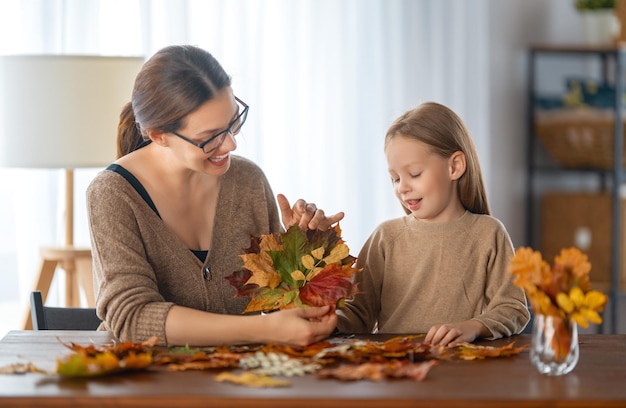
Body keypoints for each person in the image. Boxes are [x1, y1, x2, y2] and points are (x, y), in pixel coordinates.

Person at [86, 45, 343, 347]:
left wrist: (304, 252)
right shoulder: (113, 194)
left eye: (234, 122)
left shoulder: (248, 181)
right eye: (209, 138)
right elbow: (133, 318)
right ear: (158, 135)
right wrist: (264, 331)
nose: (231, 144)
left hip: (241, 382)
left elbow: (280, 305)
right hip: (147, 384)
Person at [336, 102, 529, 346]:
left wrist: (474, 327)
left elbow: (513, 309)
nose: (402, 188)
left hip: (460, 369)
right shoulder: (386, 237)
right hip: (397, 369)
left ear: (455, 166)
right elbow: (358, 313)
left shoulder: (488, 233)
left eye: (414, 174)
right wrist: (326, 321)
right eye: (395, 178)